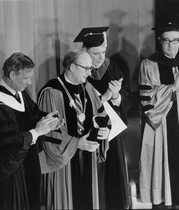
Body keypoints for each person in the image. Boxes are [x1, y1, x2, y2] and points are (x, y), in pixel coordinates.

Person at [0, 52, 62, 210]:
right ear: (12, 74)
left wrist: (48, 120)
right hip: (7, 179)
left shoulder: (19, 94)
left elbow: (33, 115)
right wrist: (36, 132)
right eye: (26, 78)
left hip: (25, 168)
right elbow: (8, 145)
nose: (30, 82)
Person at [138, 22, 179, 208]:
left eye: (175, 40)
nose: (171, 45)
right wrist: (172, 89)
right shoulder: (149, 64)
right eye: (166, 40)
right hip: (164, 123)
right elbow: (146, 98)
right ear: (159, 40)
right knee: (166, 168)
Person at [37, 50, 110, 210]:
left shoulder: (88, 88)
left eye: (91, 68)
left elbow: (102, 115)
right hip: (64, 162)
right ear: (71, 67)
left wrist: (105, 131)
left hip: (87, 157)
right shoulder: (52, 92)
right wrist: (76, 143)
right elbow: (48, 133)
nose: (90, 73)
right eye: (86, 68)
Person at [73, 27, 130, 209]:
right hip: (89, 132)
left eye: (103, 52)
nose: (100, 58)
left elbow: (126, 99)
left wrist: (116, 97)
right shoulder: (77, 70)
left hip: (111, 131)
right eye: (95, 53)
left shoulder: (111, 67)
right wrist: (105, 96)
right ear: (84, 52)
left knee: (113, 177)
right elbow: (76, 103)